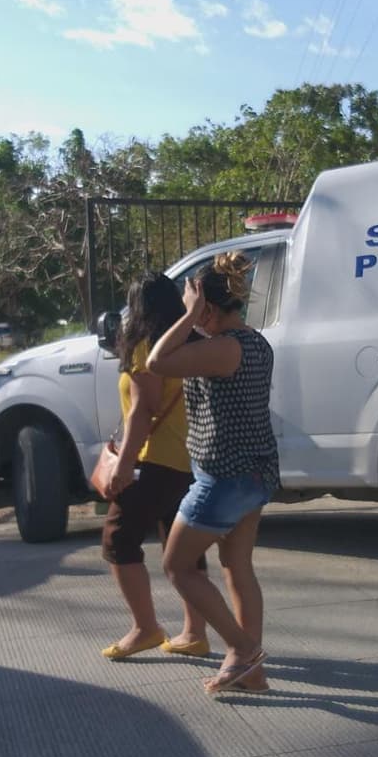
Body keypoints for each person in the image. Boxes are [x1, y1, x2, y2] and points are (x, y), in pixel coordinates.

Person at [147, 252, 279, 696]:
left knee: (177, 566)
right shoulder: (256, 342)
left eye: (193, 302)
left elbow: (157, 361)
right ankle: (251, 674)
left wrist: (187, 316)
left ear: (206, 306)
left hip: (223, 477)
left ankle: (243, 651)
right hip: (254, 473)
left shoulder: (224, 348)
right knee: (236, 567)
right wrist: (194, 314)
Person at [99, 272, 211, 661]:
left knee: (117, 539)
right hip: (189, 459)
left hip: (153, 460)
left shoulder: (145, 345)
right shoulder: (191, 344)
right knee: (183, 548)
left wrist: (123, 466)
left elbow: (143, 411)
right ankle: (194, 633)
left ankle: (145, 628)